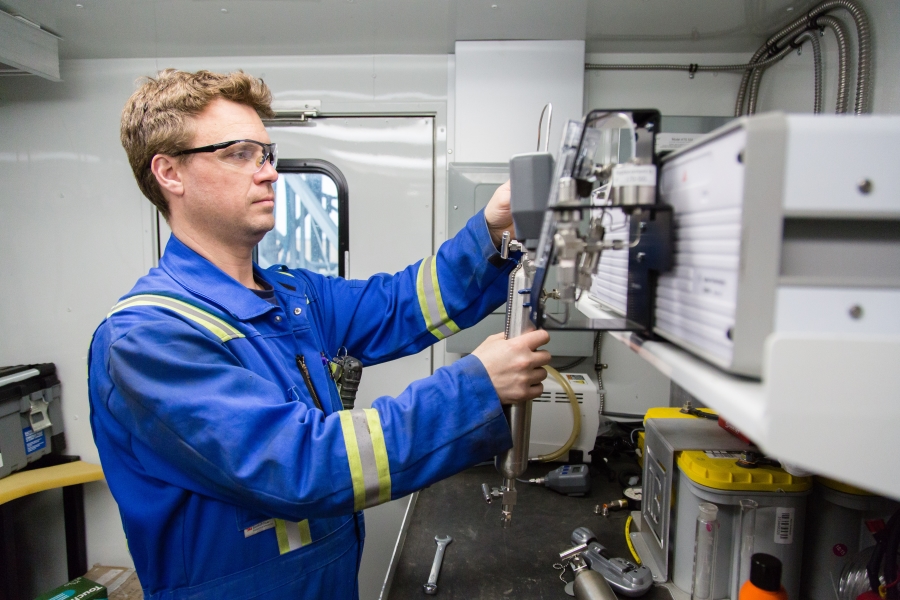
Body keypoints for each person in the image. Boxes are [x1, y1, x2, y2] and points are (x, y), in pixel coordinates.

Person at [87, 69, 551, 599]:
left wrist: (491, 232)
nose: (269, 174)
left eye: (267, 154)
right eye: (240, 154)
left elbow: (404, 303)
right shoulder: (148, 338)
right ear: (170, 173)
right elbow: (298, 465)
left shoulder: (292, 297)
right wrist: (476, 388)